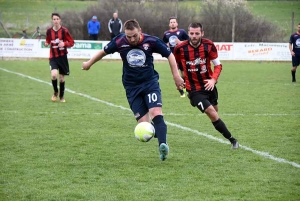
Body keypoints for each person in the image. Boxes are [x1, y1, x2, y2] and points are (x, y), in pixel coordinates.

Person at [82, 19, 185, 160]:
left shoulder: (151, 41)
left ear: (140, 31)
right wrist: (89, 63)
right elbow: (103, 52)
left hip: (150, 84)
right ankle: (161, 130)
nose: (131, 39)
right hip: (131, 87)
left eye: (134, 36)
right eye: (128, 37)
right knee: (144, 127)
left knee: (156, 112)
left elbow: (170, 55)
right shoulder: (119, 41)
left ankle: (163, 146)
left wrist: (176, 76)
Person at [173, 22, 239, 149]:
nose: (194, 36)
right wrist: (178, 79)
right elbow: (175, 64)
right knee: (212, 114)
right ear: (188, 33)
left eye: (197, 33)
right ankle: (233, 140)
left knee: (215, 111)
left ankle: (195, 102)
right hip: (194, 89)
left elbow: (218, 65)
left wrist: (213, 80)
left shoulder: (208, 45)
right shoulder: (180, 48)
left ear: (202, 33)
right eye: (191, 33)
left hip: (209, 85)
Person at [45, 13, 75, 103]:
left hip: (62, 57)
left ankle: (61, 96)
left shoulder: (64, 31)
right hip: (53, 57)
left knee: (62, 78)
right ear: (52, 20)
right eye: (54, 19)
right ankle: (55, 92)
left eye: (57, 19)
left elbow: (72, 42)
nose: (56, 21)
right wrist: (46, 43)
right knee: (54, 75)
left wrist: (64, 43)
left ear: (60, 20)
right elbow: (48, 39)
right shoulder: (49, 31)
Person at [163, 17, 189, 97]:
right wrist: (165, 45)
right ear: (169, 24)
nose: (172, 23)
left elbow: (189, 41)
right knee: (176, 75)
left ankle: (184, 87)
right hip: (172, 57)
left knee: (184, 75)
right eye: (171, 22)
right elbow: (162, 43)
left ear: (177, 23)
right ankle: (181, 92)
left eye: (174, 22)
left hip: (182, 56)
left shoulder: (182, 32)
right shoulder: (166, 34)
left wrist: (180, 42)